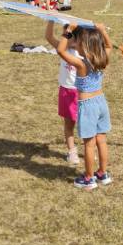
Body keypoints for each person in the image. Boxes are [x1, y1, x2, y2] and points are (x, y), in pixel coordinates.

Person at [56, 23, 113, 190]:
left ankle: (89, 178)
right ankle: (102, 173)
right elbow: (108, 45)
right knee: (101, 140)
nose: (76, 44)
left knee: (89, 144)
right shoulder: (103, 58)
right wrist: (102, 31)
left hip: (88, 106)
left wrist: (68, 32)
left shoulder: (81, 64)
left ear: (86, 46)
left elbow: (61, 51)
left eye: (79, 42)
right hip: (101, 102)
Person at [45, 22, 80, 165]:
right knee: (69, 124)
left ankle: (90, 148)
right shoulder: (62, 48)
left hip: (81, 93)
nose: (64, 37)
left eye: (68, 35)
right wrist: (51, 20)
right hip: (66, 91)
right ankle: (72, 152)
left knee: (85, 125)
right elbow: (48, 37)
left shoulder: (83, 51)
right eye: (64, 34)